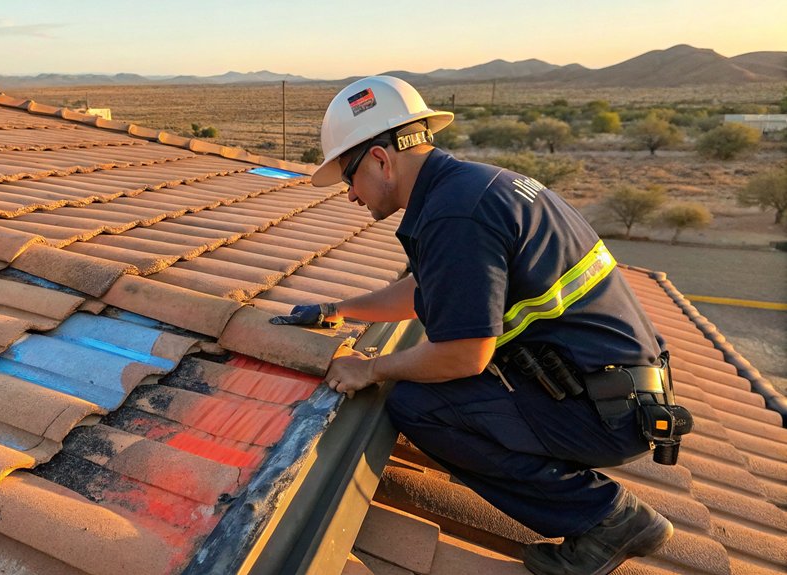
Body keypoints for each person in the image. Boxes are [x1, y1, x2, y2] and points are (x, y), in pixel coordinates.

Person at [271, 76, 683, 575]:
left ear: (381, 159)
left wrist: (372, 369)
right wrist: (339, 309)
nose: (351, 196)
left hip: (600, 413)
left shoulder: (455, 215)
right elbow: (430, 291)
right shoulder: (471, 188)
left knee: (416, 404)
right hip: (618, 393)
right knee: (429, 386)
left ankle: (607, 518)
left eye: (347, 179)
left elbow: (465, 353)